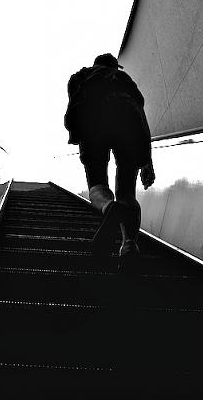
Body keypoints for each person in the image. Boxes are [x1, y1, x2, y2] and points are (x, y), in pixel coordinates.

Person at [64, 53, 155, 266]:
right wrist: (147, 159)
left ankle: (108, 207)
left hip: (92, 125)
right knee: (126, 192)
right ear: (115, 66)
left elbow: (74, 109)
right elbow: (140, 112)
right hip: (129, 123)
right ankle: (129, 244)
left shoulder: (80, 77)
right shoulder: (124, 79)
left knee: (97, 186)